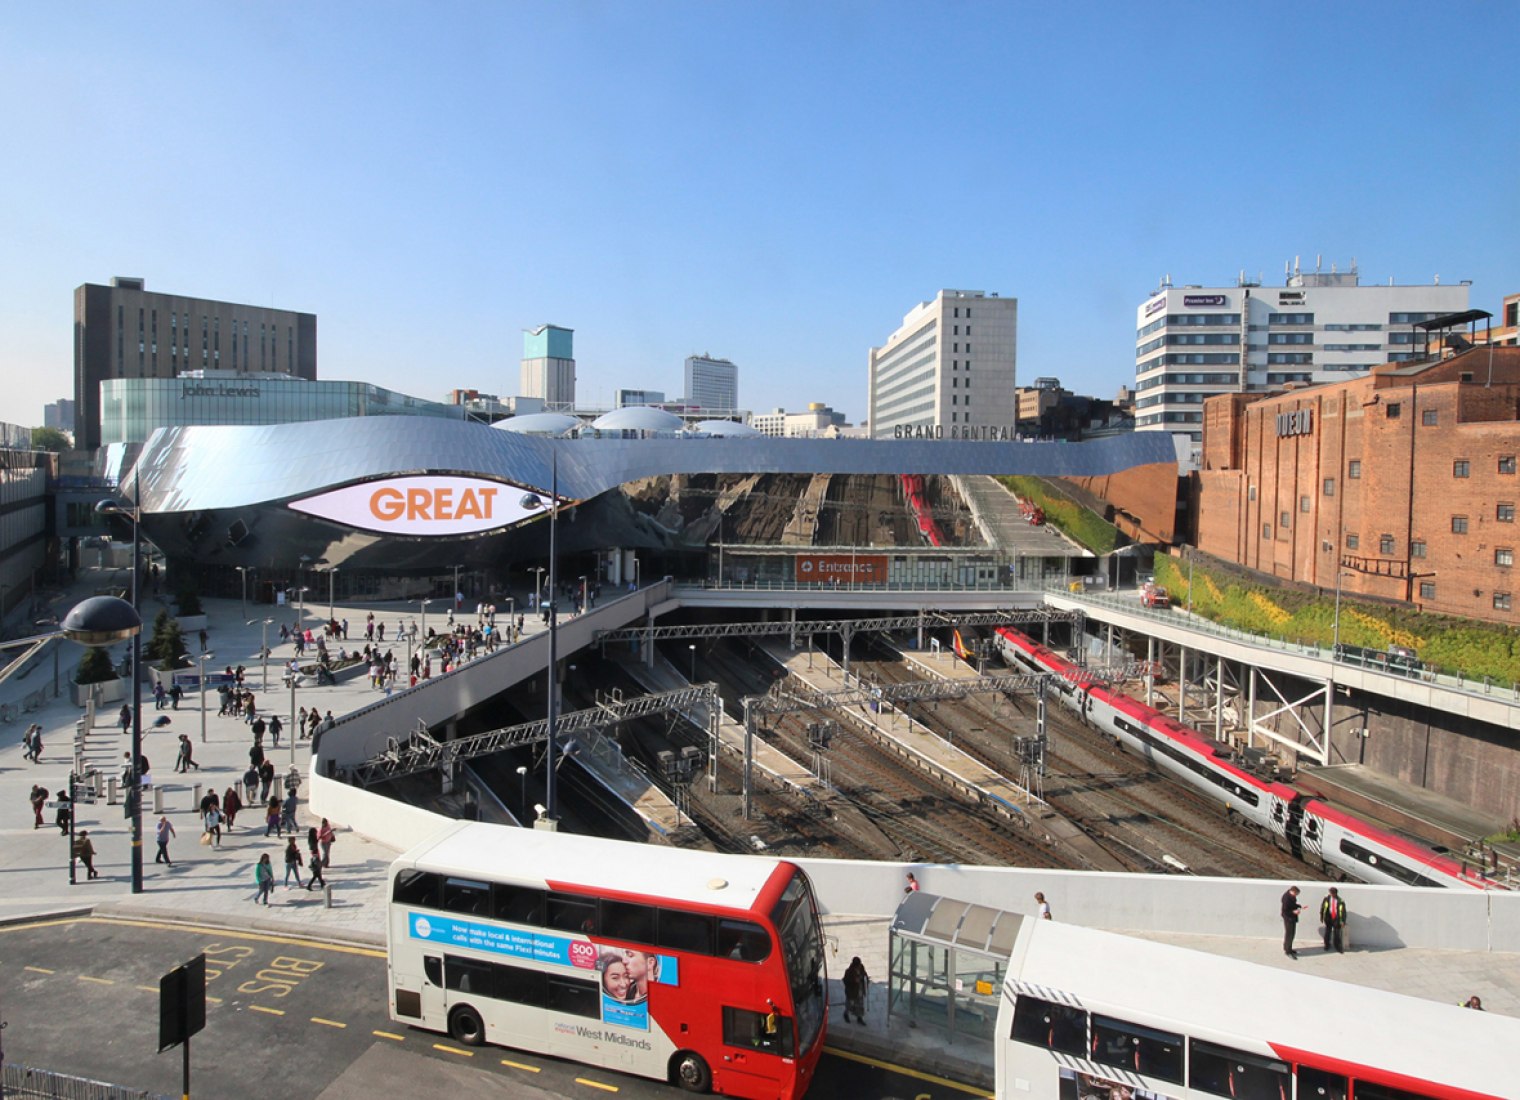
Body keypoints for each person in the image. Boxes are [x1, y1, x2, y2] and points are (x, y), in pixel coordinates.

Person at [842, 956, 870, 1024]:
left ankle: (859, 1018)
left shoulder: (861, 967)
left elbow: (865, 974)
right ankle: (846, 1014)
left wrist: (866, 979)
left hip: (859, 990)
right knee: (850, 1004)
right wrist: (854, 981)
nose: (859, 967)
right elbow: (845, 981)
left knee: (860, 1005)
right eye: (857, 966)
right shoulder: (848, 971)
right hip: (852, 992)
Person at [1320, 887, 1347, 953]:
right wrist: (1321, 916)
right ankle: (1327, 945)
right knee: (1327, 932)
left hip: (1336, 918)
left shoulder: (1340, 900)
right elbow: (1323, 907)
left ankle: (1337, 946)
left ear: (1336, 893)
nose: (1331, 895)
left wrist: (1343, 921)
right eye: (1330, 893)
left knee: (1337, 933)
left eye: (1333, 894)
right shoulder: (1326, 899)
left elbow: (1343, 912)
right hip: (1328, 917)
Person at [1281, 886, 1303, 959]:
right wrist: (1294, 912)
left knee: (1291, 934)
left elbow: (1292, 905)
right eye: (1296, 894)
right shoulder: (1286, 898)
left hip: (1291, 918)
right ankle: (1288, 951)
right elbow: (1285, 910)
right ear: (1293, 891)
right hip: (1289, 918)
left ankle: (1288, 948)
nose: (1296, 895)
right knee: (1289, 934)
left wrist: (1298, 906)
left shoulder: (1290, 896)